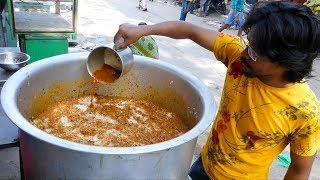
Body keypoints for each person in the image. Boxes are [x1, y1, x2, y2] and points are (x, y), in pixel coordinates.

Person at [114, 1, 320, 179]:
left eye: (256, 53)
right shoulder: (238, 56)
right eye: (249, 43)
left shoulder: (305, 111)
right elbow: (190, 30)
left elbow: (299, 171)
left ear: (287, 62)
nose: (246, 53)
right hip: (204, 165)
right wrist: (142, 30)